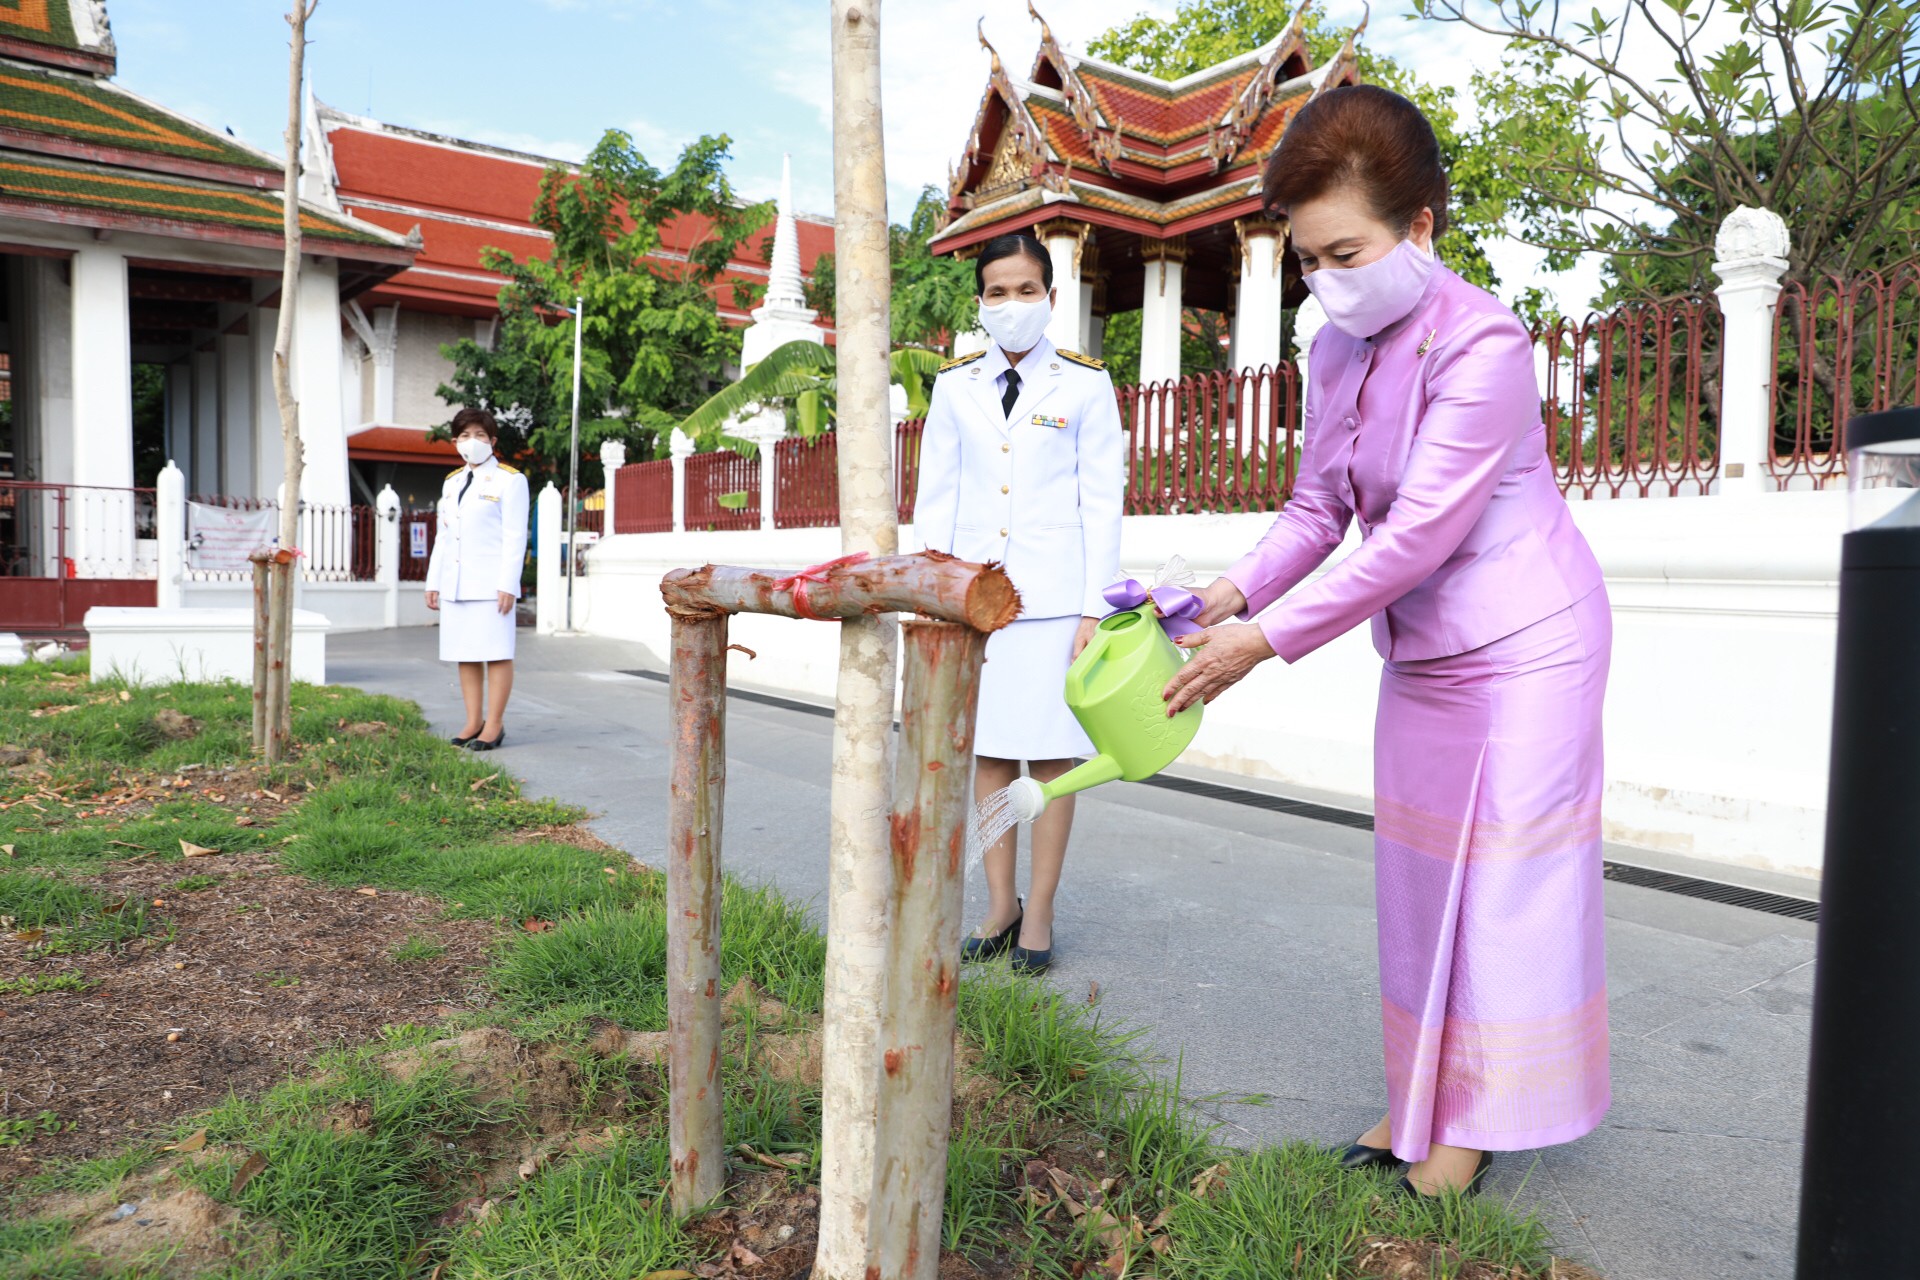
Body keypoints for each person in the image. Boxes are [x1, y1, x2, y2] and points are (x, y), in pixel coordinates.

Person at [1162, 85, 1612, 1198]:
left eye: (1346, 251)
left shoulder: (1485, 343)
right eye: (1309, 259)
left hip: (1527, 646)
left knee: (1500, 890)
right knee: (1418, 883)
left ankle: (1472, 1129)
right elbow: (1319, 509)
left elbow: (1413, 536)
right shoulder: (1333, 346)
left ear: (1421, 226)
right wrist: (1223, 595)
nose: (1326, 279)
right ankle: (1417, 1098)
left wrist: (1259, 644)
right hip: (1424, 656)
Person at [913, 231, 1124, 975]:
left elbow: (1102, 503)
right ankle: (1000, 905)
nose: (1011, 305)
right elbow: (936, 495)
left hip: (1059, 602)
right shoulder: (954, 384)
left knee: (1053, 760)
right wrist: (934, 592)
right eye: (997, 292)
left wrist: (1098, 611)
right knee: (993, 756)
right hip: (979, 602)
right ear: (980, 302)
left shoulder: (1084, 383)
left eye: (1025, 290)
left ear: (1050, 297)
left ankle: (1043, 907)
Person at [424, 407, 529, 751]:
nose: (473, 442)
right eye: (466, 436)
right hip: (455, 582)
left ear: (493, 441)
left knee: (497, 653)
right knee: (465, 654)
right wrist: (433, 582)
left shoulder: (510, 480)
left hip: (490, 585)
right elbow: (443, 535)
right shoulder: (452, 482)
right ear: (455, 442)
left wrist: (508, 584)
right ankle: (473, 721)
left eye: (480, 435)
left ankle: (494, 725)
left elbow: (515, 537)